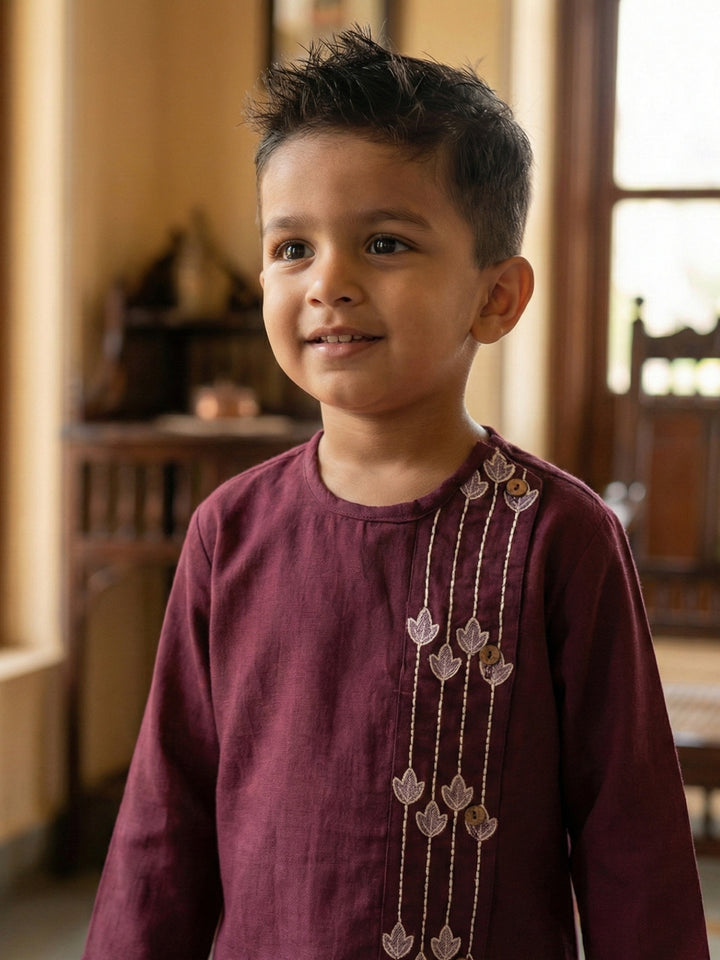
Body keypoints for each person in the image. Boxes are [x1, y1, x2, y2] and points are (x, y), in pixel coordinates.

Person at [82, 29, 709, 960]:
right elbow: (161, 829)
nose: (328, 281)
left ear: (496, 298)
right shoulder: (231, 531)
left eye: (383, 242)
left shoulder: (561, 536)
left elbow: (634, 844)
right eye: (292, 246)